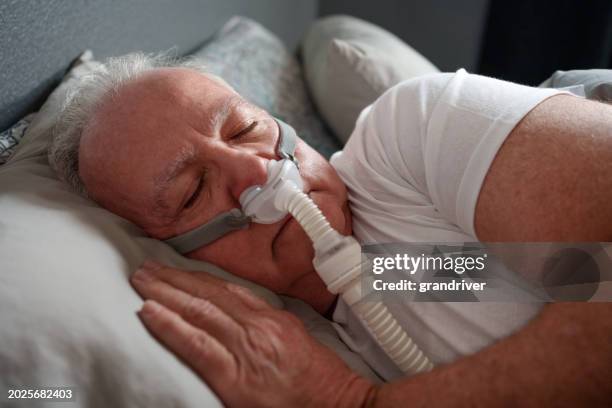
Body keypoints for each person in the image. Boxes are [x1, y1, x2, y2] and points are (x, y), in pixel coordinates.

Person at [48, 53, 612, 406]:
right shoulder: (366, 290)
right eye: (193, 192)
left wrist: (351, 402)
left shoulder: (411, 132)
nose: (257, 170)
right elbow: (459, 274)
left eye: (245, 129)